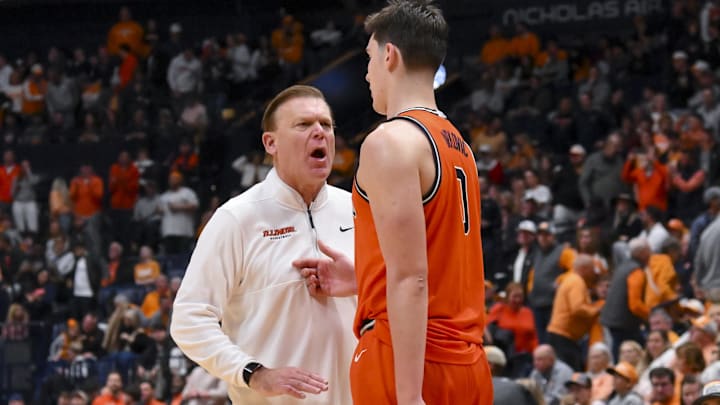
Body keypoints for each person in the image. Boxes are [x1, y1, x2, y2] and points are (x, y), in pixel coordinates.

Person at [296, 2, 490, 403]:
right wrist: (366, 279)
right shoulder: (460, 146)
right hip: (469, 363)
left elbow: (412, 279)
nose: (366, 74)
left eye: (368, 59)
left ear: (390, 55)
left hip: (408, 362)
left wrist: (408, 394)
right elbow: (440, 259)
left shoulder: (390, 141)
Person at [170, 85, 357, 404]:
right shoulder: (236, 218)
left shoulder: (357, 209)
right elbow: (189, 319)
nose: (319, 133)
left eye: (326, 125)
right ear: (271, 143)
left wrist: (363, 282)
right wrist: (251, 372)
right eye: (303, 124)